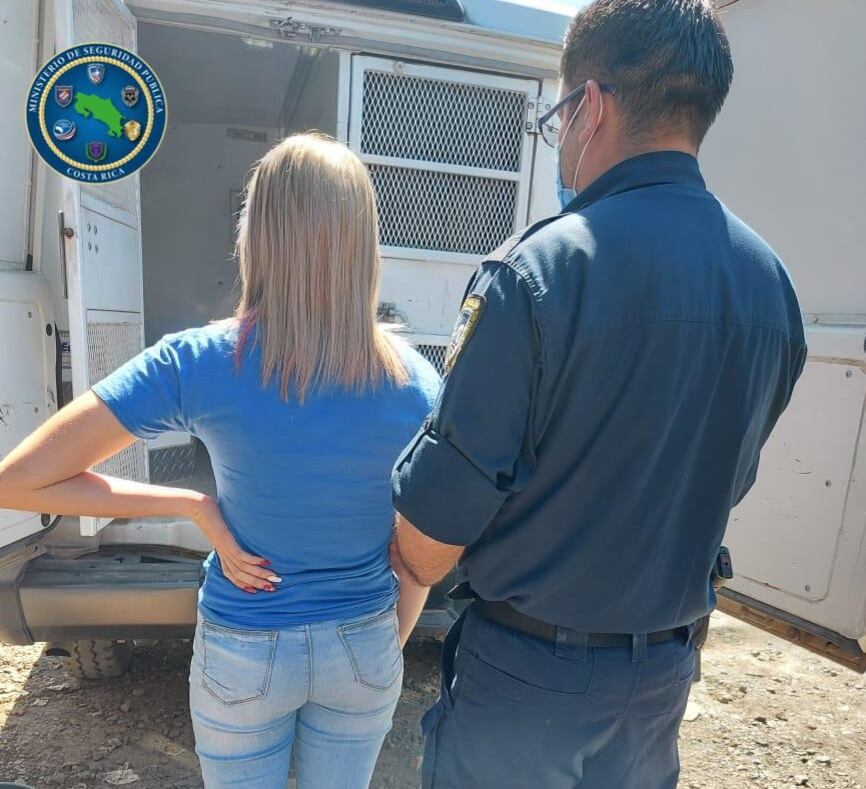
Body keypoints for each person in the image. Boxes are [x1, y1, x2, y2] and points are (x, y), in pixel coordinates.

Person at [389, 1, 807, 787]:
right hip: (662, 677)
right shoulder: (769, 283)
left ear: (592, 105)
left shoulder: (538, 273)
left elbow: (432, 530)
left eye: (557, 115)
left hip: (524, 674)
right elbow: (728, 476)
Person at [0, 134, 438, 789]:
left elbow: (20, 481)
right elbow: (420, 550)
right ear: (363, 244)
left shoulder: (199, 361)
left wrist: (192, 505)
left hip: (247, 646)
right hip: (364, 637)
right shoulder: (417, 382)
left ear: (255, 236)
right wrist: (380, 644)